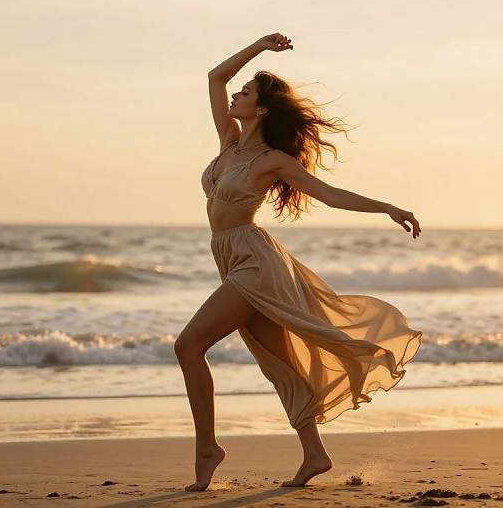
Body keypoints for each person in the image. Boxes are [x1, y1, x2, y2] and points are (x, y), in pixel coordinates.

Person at [174, 33, 423, 492]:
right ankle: (314, 453)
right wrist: (259, 46)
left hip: (254, 262)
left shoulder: (273, 160)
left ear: (262, 109)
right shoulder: (229, 143)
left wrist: (387, 207)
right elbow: (214, 76)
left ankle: (207, 449)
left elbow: (330, 195)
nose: (235, 94)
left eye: (246, 93)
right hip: (229, 256)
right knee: (279, 362)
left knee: (188, 346)